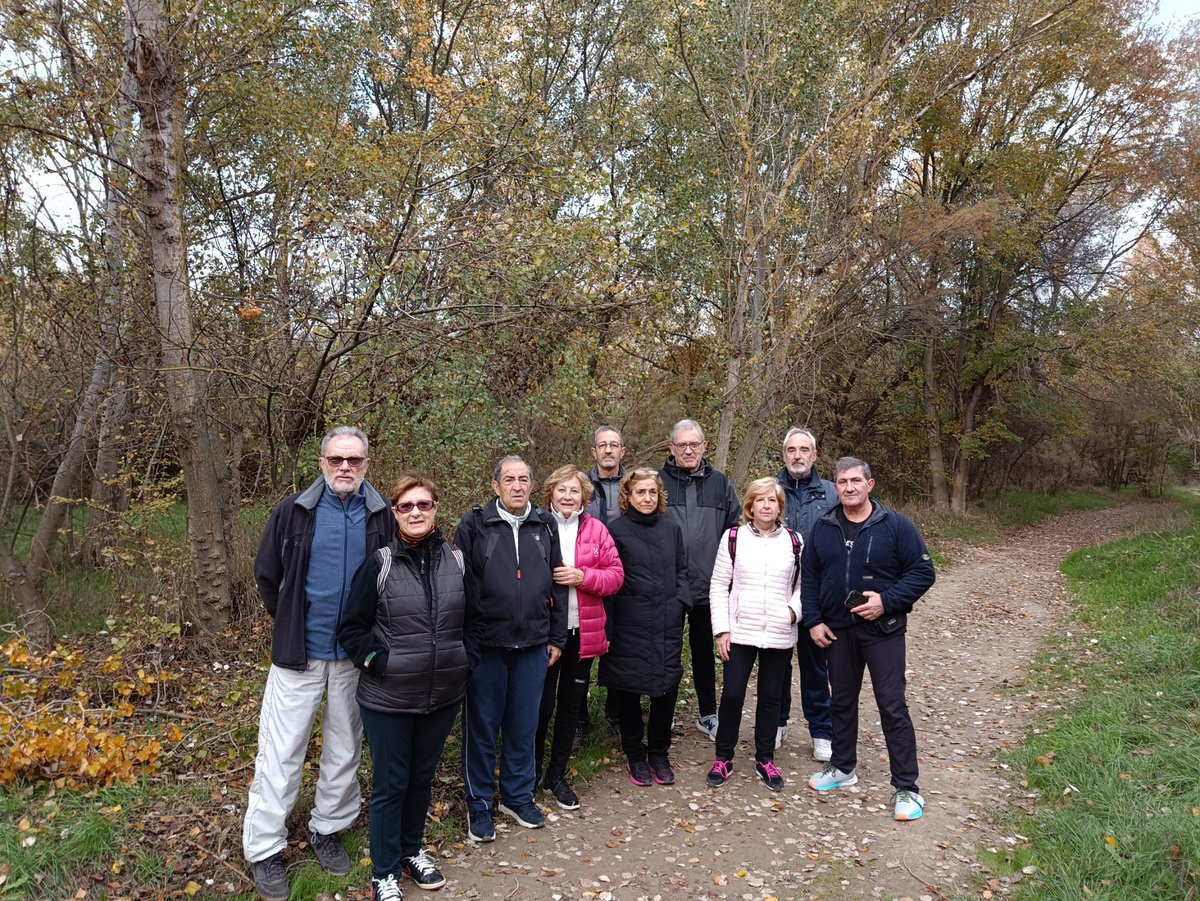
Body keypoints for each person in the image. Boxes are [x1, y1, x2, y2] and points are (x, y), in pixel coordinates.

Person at [244, 426, 394, 901]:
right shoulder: (294, 512)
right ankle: (265, 848)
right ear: (322, 462)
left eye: (353, 459)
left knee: (345, 747)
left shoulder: (383, 517)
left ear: (366, 465)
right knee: (281, 753)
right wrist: (289, 620)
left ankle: (327, 827)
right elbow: (268, 576)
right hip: (299, 656)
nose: (344, 467)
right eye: (336, 459)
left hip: (354, 657)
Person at [338, 473, 479, 898]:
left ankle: (411, 851)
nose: (415, 512)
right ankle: (384, 871)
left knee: (421, 779)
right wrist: (379, 663)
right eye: (406, 506)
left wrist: (465, 661)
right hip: (389, 698)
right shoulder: (379, 564)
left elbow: (474, 621)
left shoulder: (455, 559)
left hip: (443, 694)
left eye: (424, 505)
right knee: (391, 784)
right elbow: (351, 629)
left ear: (436, 508)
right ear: (395, 513)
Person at [802, 457, 936, 821]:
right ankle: (842, 768)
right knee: (841, 702)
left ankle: (907, 787)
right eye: (842, 481)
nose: (849, 487)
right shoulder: (824, 526)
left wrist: (887, 601)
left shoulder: (895, 526)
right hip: (838, 630)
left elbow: (923, 572)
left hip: (884, 631)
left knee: (892, 705)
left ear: (870, 484)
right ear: (835, 486)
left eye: (855, 481)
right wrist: (813, 621)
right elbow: (810, 576)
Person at [456, 456, 567, 842]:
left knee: (524, 726)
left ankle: (518, 797)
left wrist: (557, 637)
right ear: (495, 486)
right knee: (483, 727)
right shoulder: (474, 525)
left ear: (532, 485)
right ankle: (480, 803)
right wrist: (466, 642)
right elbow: (461, 588)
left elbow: (558, 583)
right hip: (487, 645)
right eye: (509, 479)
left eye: (523, 479)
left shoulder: (545, 524)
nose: (517, 486)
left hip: (534, 645)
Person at [534, 465, 624, 810]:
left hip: (582, 632)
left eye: (574, 491)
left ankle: (556, 776)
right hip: (545, 635)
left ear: (584, 496)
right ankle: (529, 776)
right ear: (551, 494)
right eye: (561, 490)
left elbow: (615, 577)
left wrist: (582, 576)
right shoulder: (538, 525)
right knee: (541, 708)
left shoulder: (597, 530)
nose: (568, 496)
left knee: (572, 707)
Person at [707, 478, 802, 792]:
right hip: (740, 631)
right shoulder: (733, 538)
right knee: (732, 693)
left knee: (771, 697)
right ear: (749, 505)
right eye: (759, 500)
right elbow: (719, 586)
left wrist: (792, 612)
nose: (765, 506)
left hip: (778, 631)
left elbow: (803, 587)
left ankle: (765, 758)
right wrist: (721, 629)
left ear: (779, 507)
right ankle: (724, 756)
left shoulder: (794, 541)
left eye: (772, 500)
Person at [599, 469, 690, 786]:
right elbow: (609, 582)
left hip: (666, 620)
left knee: (666, 687)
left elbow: (682, 570)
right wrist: (608, 630)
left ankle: (659, 753)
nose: (647, 498)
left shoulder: (671, 529)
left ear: (659, 495)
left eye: (652, 492)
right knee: (628, 690)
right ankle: (635, 754)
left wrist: (681, 602)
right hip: (628, 623)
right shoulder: (616, 531)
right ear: (628, 496)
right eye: (640, 492)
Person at [658, 419, 740, 740]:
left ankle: (707, 715)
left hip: (709, 588)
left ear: (705, 446)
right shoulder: (658, 483)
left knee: (704, 653)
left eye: (694, 444)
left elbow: (735, 533)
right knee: (666, 652)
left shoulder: (721, 484)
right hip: (670, 588)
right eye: (682, 445)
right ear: (672, 449)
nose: (688, 450)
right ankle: (662, 715)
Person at [775, 427, 839, 760]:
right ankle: (777, 723)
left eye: (804, 450)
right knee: (777, 664)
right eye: (791, 450)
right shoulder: (770, 491)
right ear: (783, 454)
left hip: (817, 593)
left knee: (816, 665)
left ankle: (821, 732)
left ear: (814, 455)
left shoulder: (831, 493)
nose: (797, 456)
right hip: (777, 592)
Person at [587, 426, 627, 524]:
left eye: (613, 445)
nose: (608, 451)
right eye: (602, 445)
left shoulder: (633, 485)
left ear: (622, 452)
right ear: (594, 452)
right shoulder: (581, 485)